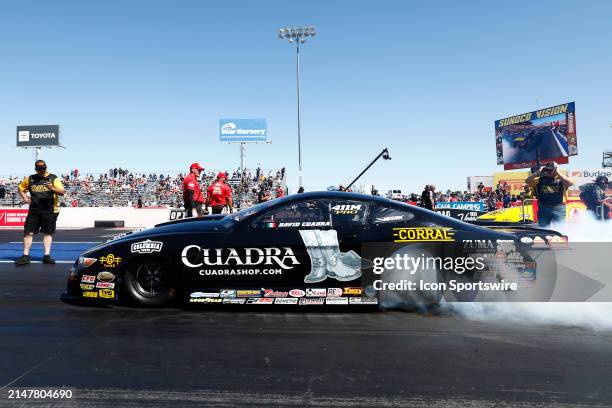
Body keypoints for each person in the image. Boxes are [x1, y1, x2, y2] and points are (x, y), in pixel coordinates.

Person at [15, 160, 65, 265]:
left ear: (46, 168)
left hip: (50, 209)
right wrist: (24, 197)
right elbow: (20, 188)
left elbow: (62, 192)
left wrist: (52, 188)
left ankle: (46, 255)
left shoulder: (53, 178)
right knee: (28, 232)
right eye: (40, 169)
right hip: (34, 210)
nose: (42, 171)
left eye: (43, 169)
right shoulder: (30, 178)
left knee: (48, 233)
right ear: (36, 169)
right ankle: (25, 255)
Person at [525, 162, 574, 227]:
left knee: (560, 229)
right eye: (547, 169)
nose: (549, 172)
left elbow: (570, 183)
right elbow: (527, 181)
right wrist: (538, 172)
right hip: (543, 207)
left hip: (558, 207)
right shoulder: (539, 180)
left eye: (551, 170)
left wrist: (557, 172)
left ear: (555, 169)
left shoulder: (561, 179)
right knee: (544, 229)